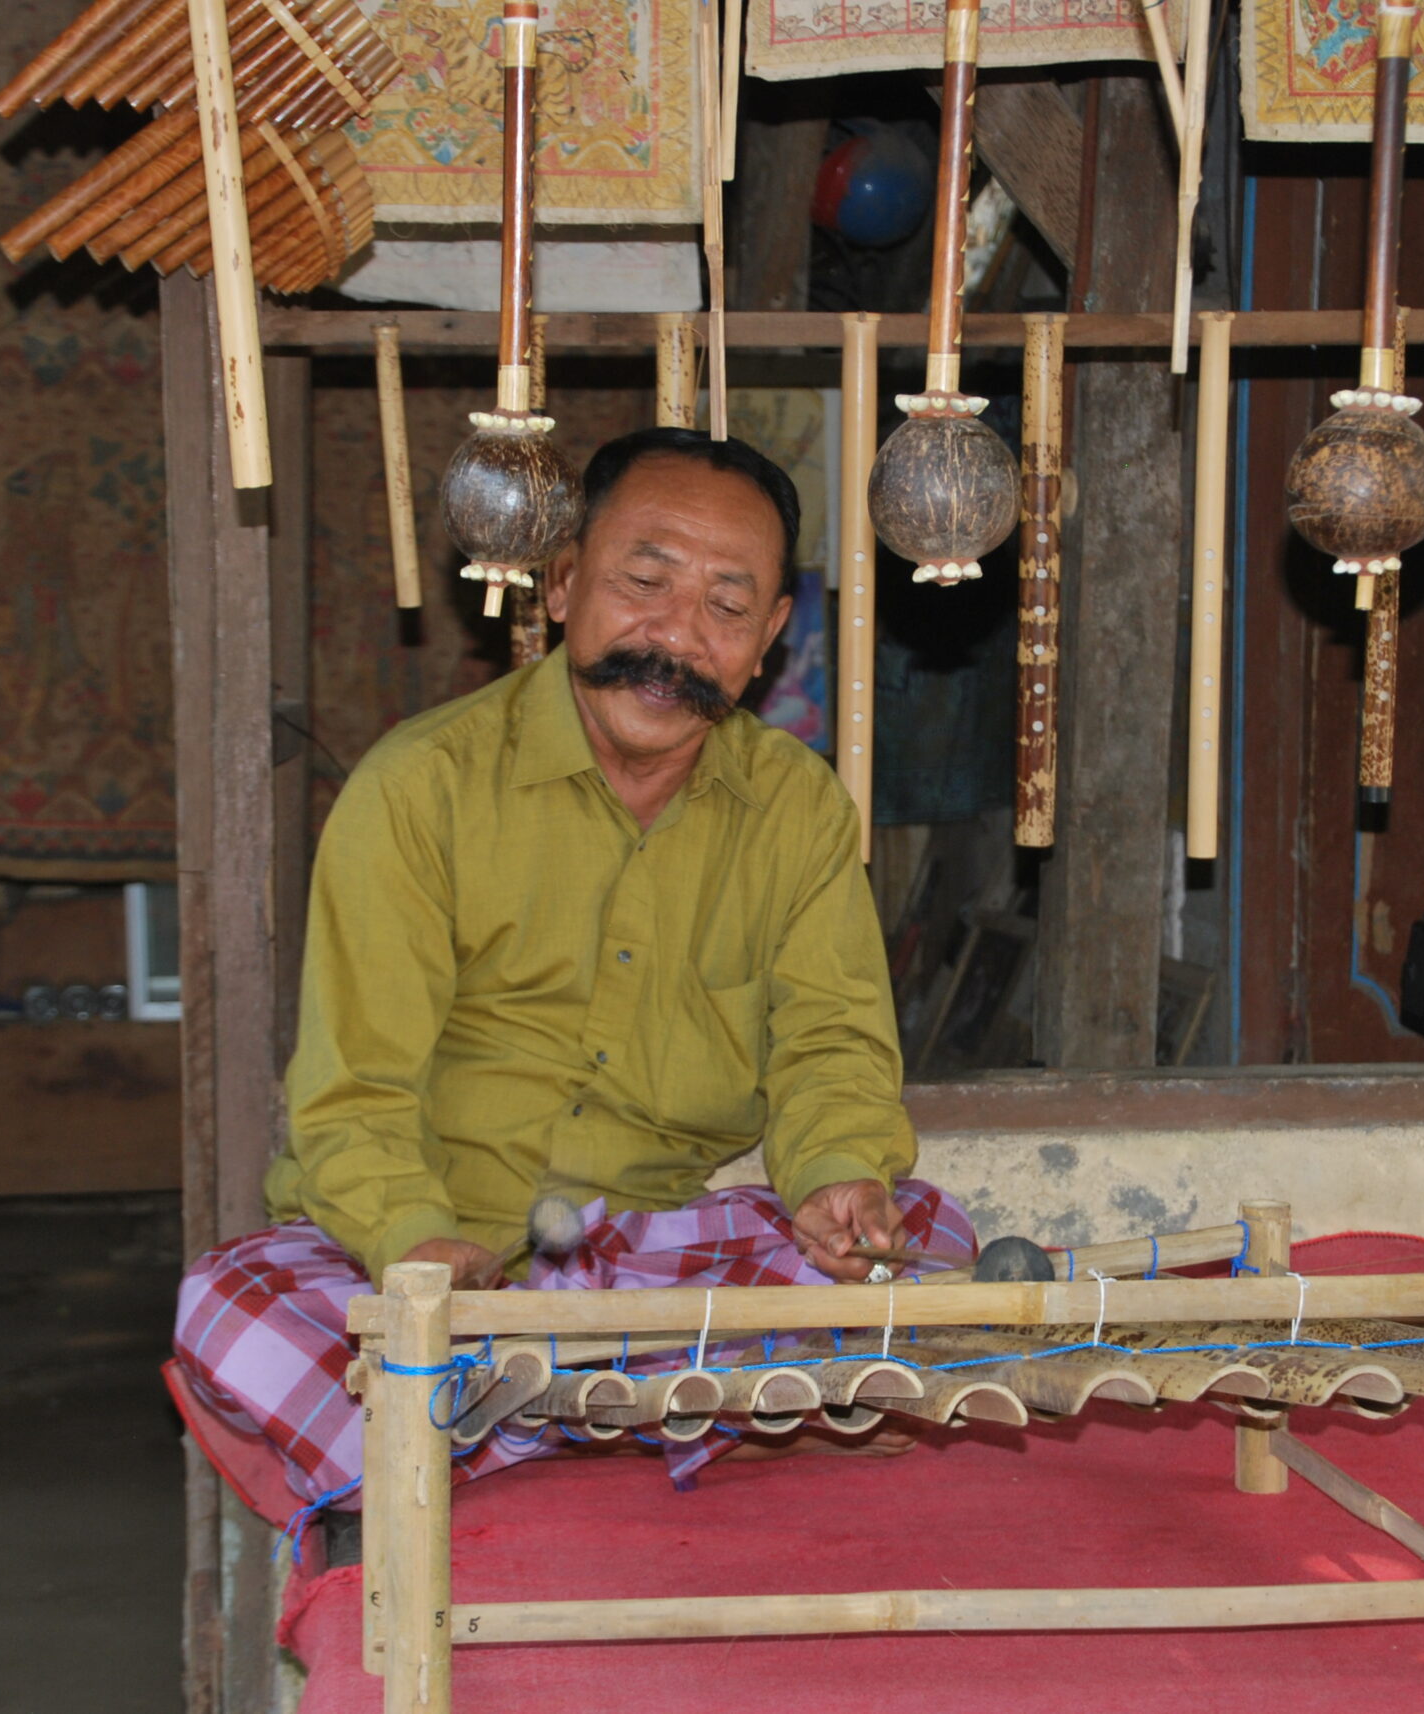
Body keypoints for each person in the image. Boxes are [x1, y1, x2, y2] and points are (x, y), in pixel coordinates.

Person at [171, 427, 975, 1551]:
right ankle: (670, 1418)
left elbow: (832, 1045)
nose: (676, 636)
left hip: (643, 1254)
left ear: (770, 639)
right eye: (644, 582)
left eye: (725, 607)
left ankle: (513, 1425)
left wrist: (840, 1174)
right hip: (443, 1260)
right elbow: (351, 1095)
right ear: (560, 584)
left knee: (929, 1245)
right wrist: (419, 1243)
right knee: (230, 1312)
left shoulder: (795, 810)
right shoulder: (421, 787)